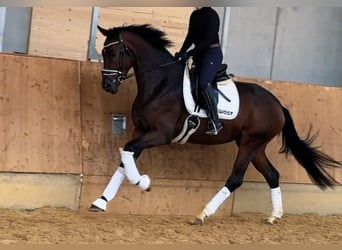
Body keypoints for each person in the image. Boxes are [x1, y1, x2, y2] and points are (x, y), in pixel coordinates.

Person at [175, 7, 223, 135]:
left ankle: (215, 121)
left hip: (212, 53)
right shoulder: (194, 15)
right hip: (199, 53)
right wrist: (182, 52)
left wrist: (190, 52)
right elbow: (190, 36)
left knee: (203, 83)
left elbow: (208, 40)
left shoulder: (211, 15)